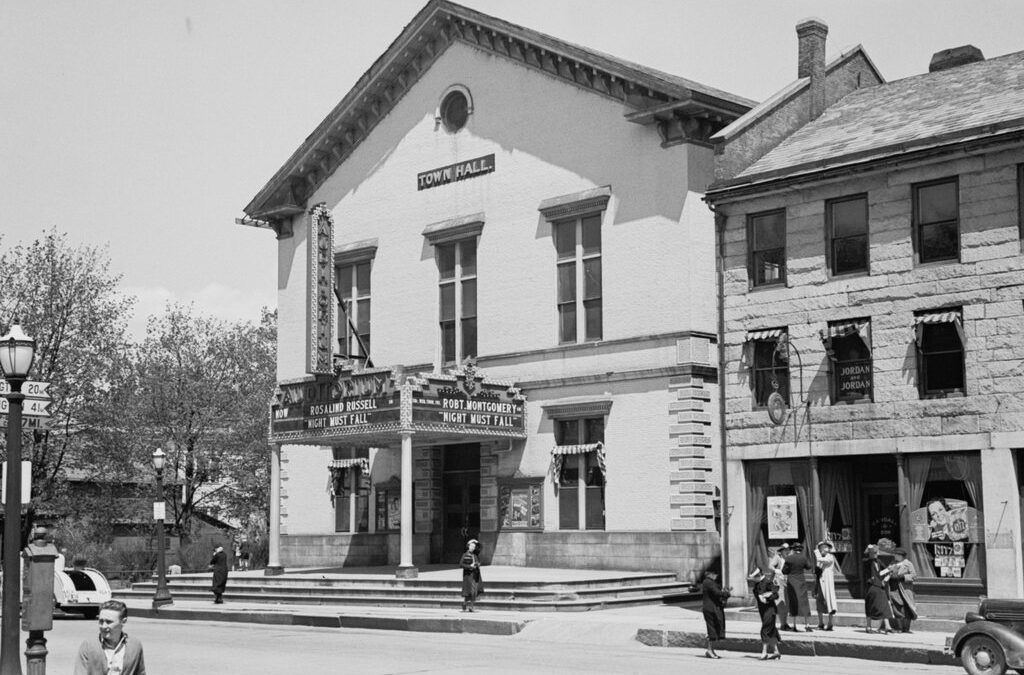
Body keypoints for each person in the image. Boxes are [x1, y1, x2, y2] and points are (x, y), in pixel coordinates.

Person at [74, 599, 146, 675]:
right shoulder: (89, 646)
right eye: (101, 621)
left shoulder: (135, 645)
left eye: (109, 622)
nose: (104, 626)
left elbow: (141, 672)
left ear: (123, 622)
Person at [750, 568, 782, 661]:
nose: (753, 580)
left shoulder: (767, 582)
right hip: (762, 610)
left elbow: (776, 595)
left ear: (759, 575)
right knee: (771, 630)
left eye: (754, 577)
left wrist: (767, 598)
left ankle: (764, 652)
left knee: (765, 629)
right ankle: (776, 651)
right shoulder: (756, 585)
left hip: (770, 609)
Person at [781, 542, 813, 631]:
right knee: (804, 602)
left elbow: (784, 571)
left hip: (791, 580)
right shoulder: (803, 558)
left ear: (793, 549)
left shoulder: (789, 558)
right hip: (801, 580)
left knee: (793, 602)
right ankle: (807, 625)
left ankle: (794, 625)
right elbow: (809, 567)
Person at [700, 570, 731, 659]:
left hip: (712, 608)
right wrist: (726, 593)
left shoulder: (710, 582)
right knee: (711, 629)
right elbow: (717, 593)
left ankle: (711, 650)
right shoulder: (708, 582)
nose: (716, 576)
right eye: (715, 574)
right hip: (710, 609)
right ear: (710, 574)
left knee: (714, 628)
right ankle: (709, 650)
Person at [863, 544, 894, 633]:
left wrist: (888, 574)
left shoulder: (879, 561)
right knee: (870, 605)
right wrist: (869, 548)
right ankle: (868, 626)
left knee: (884, 605)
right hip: (871, 585)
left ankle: (887, 626)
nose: (874, 554)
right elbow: (868, 562)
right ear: (869, 553)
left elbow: (882, 572)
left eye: (876, 552)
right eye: (872, 553)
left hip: (880, 585)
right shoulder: (867, 561)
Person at [888, 547, 918, 633]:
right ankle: (899, 628)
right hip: (894, 589)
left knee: (907, 608)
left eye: (897, 554)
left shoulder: (908, 564)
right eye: (895, 554)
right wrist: (890, 575)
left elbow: (914, 576)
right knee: (897, 608)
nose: (895, 556)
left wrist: (903, 577)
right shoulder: (893, 563)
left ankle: (906, 628)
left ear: (901, 556)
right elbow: (888, 572)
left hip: (905, 590)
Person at [814, 541, 838, 631]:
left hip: (827, 584)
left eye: (825, 547)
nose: (823, 549)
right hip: (820, 583)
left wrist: (816, 551)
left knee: (830, 602)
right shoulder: (820, 559)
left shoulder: (830, 557)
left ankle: (830, 623)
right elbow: (818, 570)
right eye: (821, 547)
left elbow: (820, 559)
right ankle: (820, 623)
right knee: (819, 602)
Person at [768, 544, 790, 630]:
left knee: (786, 604)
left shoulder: (789, 558)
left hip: (787, 582)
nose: (787, 551)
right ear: (781, 551)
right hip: (778, 582)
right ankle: (782, 624)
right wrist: (776, 570)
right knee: (781, 603)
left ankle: (785, 622)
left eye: (788, 549)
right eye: (785, 550)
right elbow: (770, 566)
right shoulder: (778, 557)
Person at [460, 539, 483, 612]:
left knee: (475, 591)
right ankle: (465, 603)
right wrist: (470, 566)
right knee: (469, 592)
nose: (473, 548)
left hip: (475, 575)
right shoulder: (465, 554)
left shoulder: (475, 555)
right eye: (471, 546)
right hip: (468, 576)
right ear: (468, 546)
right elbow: (461, 564)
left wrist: (477, 564)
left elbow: (480, 547)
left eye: (474, 547)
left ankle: (471, 607)